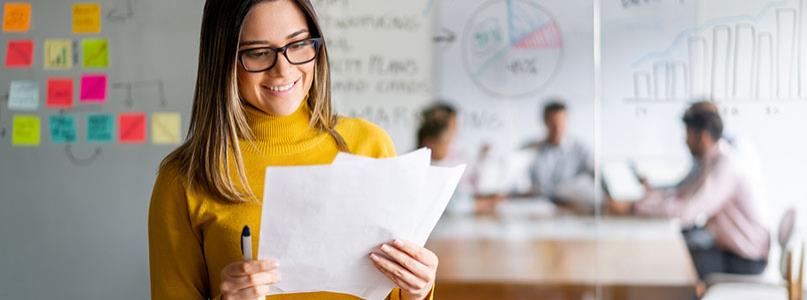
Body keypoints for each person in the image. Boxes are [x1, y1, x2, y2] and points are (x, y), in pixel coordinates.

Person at [148, 1, 437, 299]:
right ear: (223, 60)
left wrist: (417, 290)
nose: (283, 70)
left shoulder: (370, 145)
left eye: (298, 44)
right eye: (258, 53)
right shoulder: (184, 178)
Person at [610, 101, 770, 279]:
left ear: (702, 137)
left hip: (745, 258)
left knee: (677, 264)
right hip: (730, 246)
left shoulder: (725, 166)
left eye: (687, 134)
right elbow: (681, 194)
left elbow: (687, 211)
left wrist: (635, 208)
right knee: (674, 252)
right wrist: (641, 203)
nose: (685, 141)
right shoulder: (712, 160)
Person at [525, 100, 594, 203]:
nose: (557, 128)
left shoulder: (581, 150)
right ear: (545, 121)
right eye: (553, 123)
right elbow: (521, 182)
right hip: (538, 205)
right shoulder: (530, 149)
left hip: (572, 205)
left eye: (561, 123)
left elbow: (595, 175)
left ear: (567, 121)